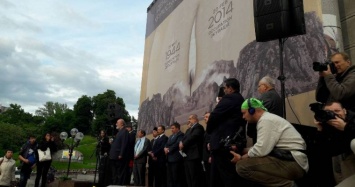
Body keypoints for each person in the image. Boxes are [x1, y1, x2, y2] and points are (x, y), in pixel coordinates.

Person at [231, 98, 308, 187]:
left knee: (242, 166)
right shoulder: (268, 119)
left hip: (294, 163)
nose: (243, 117)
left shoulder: (265, 120)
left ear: (252, 110)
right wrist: (241, 149)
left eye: (244, 113)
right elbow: (261, 147)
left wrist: (241, 158)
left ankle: (287, 185)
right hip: (292, 160)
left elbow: (261, 150)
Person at [206, 78, 247, 187]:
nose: (224, 91)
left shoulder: (229, 98)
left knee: (223, 177)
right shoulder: (241, 99)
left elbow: (214, 116)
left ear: (230, 88)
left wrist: (209, 131)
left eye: (225, 88)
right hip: (232, 142)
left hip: (223, 144)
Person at [313, 102, 355, 185]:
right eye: (329, 112)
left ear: (344, 111)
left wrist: (345, 127)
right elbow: (324, 151)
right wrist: (320, 130)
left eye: (337, 111)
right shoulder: (327, 124)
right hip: (339, 156)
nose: (333, 114)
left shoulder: (353, 119)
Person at [109, 119, 130, 185]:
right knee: (115, 173)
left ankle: (119, 184)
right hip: (114, 156)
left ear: (122, 124)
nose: (116, 124)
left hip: (119, 156)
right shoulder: (119, 132)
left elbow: (124, 143)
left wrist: (121, 154)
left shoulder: (125, 132)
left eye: (117, 123)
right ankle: (115, 184)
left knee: (120, 172)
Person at [165, 122, 184, 187]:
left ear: (177, 128)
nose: (171, 130)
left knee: (176, 177)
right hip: (169, 159)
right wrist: (165, 148)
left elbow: (177, 144)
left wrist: (168, 150)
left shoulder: (181, 135)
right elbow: (167, 144)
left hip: (176, 159)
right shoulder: (170, 136)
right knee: (170, 178)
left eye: (173, 128)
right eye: (171, 128)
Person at [202, 112, 211, 187]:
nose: (205, 118)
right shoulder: (207, 129)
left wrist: (210, 155)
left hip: (210, 157)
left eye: (207, 117)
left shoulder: (213, 129)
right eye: (204, 117)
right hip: (205, 157)